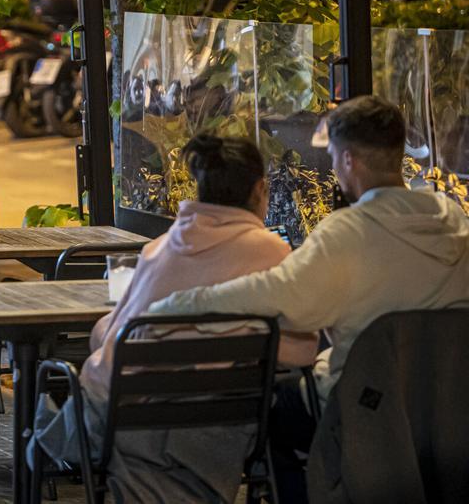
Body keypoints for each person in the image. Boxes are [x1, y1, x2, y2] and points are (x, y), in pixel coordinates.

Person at [149, 96, 469, 502]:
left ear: (349, 160)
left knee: (273, 412)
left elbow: (273, 297)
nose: (333, 171)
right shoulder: (454, 223)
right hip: (452, 410)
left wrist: (173, 305)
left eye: (334, 159)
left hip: (366, 410)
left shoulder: (348, 233)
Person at [31, 133, 316, 502]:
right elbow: (302, 352)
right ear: (261, 189)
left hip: (122, 424)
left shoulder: (157, 250)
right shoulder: (273, 253)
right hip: (217, 432)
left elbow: (106, 336)